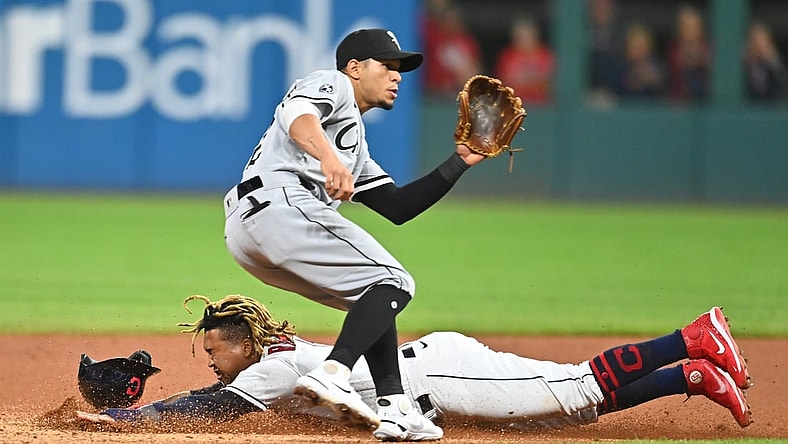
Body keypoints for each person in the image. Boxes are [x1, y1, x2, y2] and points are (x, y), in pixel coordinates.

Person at [220, 28, 488, 441]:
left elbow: (398, 207)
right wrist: (328, 160)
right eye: (388, 66)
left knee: (375, 296)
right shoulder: (334, 85)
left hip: (252, 229)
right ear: (355, 68)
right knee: (395, 281)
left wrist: (461, 161)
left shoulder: (355, 147)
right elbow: (296, 116)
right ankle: (334, 372)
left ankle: (395, 406)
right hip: (278, 204)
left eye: (400, 69)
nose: (397, 76)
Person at [79, 295, 753, 432]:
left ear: (244, 342)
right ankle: (690, 376)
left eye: (213, 349)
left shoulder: (268, 371)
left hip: (437, 373)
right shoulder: (268, 362)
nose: (211, 362)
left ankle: (692, 336)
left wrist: (131, 416)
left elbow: (208, 407)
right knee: (564, 416)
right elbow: (211, 395)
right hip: (430, 381)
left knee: (573, 385)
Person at [421, 1, 483, 98]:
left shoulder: (467, 42)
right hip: (433, 92)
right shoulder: (433, 37)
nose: (452, 23)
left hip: (458, 93)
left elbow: (475, 68)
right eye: (449, 20)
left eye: (455, 20)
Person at [494, 17, 555, 104]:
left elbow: (549, 83)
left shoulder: (544, 54)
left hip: (542, 104)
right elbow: (504, 84)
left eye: (528, 35)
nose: (524, 38)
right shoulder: (507, 56)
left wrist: (530, 81)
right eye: (521, 36)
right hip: (514, 105)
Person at [667, 5, 711, 102]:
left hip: (706, 105)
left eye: (692, 27)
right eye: (685, 27)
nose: (689, 31)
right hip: (679, 104)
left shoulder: (708, 49)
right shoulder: (674, 49)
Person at [615, 23, 666, 100]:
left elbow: (665, 97)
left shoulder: (659, 69)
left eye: (641, 47)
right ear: (627, 49)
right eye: (634, 47)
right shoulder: (618, 69)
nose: (638, 51)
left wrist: (655, 82)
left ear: (649, 48)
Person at [744, 21, 787, 101]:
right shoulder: (743, 66)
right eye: (754, 41)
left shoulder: (774, 65)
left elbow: (784, 84)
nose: (758, 45)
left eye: (762, 41)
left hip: (771, 110)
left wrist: (772, 60)